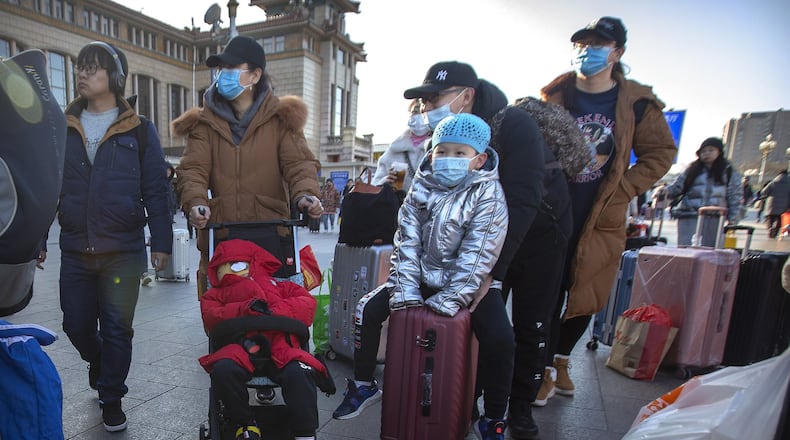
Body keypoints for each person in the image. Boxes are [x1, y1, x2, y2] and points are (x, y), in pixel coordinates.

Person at [333, 112, 512, 439]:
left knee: (500, 338)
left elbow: (479, 252)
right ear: (432, 153)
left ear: (479, 158)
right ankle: (363, 385)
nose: (449, 159)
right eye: (443, 151)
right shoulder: (420, 188)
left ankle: (493, 418)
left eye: (460, 153)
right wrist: (404, 291)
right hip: (420, 279)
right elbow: (406, 241)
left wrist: (451, 298)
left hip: (473, 284)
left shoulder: (488, 194)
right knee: (367, 310)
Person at [539, 16, 676, 411]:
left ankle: (561, 360)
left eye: (598, 43)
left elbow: (661, 154)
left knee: (587, 292)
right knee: (546, 292)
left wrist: (625, 188)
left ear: (617, 52)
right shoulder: (557, 94)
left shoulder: (637, 102)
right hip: (555, 210)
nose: (587, 50)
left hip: (602, 215)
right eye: (582, 43)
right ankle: (543, 369)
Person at [58, 41, 173, 432]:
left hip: (122, 250)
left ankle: (112, 397)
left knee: (117, 327)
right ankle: (99, 360)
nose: (82, 74)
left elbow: (157, 189)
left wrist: (161, 242)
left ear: (115, 78)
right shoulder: (62, 127)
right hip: (75, 248)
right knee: (74, 324)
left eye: (92, 68)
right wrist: (35, 240)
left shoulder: (140, 130)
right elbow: (45, 185)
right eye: (80, 68)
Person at [172, 36, 323, 296]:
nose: (223, 75)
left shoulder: (281, 120)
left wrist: (305, 195)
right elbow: (193, 169)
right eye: (221, 70)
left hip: (271, 235)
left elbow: (299, 163)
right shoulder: (204, 124)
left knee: (274, 309)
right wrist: (196, 201)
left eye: (231, 68)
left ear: (254, 75)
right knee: (225, 312)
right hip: (223, 235)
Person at [199, 239, 333, 440]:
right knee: (223, 371)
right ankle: (244, 423)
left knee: (299, 372)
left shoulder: (279, 285)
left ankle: (305, 432)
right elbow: (211, 316)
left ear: (253, 264)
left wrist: (273, 312)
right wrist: (243, 310)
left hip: (279, 343)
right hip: (239, 345)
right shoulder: (216, 294)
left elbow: (305, 304)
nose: (230, 271)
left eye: (237, 265)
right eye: (223, 267)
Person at [666, 137, 742, 246]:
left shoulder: (729, 172)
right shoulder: (691, 170)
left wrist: (733, 219)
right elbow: (677, 187)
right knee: (686, 248)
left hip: (715, 218)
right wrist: (664, 191)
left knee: (710, 251)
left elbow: (735, 196)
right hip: (690, 216)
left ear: (719, 152)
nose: (706, 154)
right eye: (703, 151)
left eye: (711, 150)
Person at [371, 99, 430, 193]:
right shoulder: (394, 149)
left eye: (423, 112)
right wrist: (386, 181)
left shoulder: (438, 147)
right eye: (414, 112)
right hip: (396, 205)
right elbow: (375, 184)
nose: (418, 116)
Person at [757, 170, 790, 238]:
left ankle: (770, 228)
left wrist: (766, 196)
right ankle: (775, 230)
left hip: (771, 204)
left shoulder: (773, 182)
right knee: (779, 220)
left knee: (769, 218)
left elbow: (763, 192)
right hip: (784, 206)